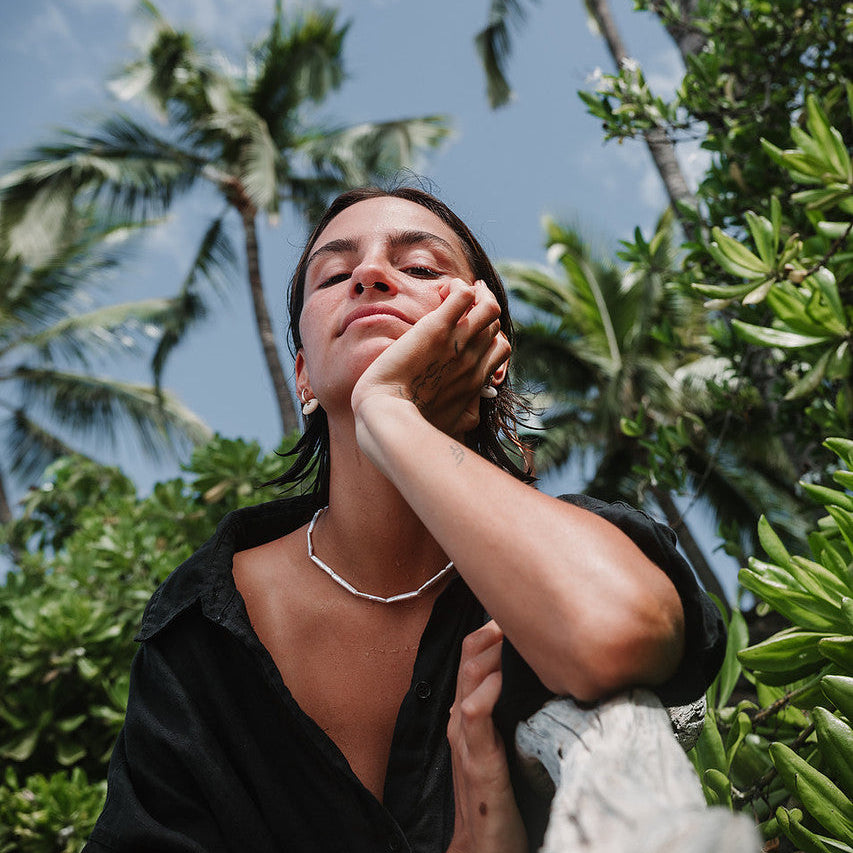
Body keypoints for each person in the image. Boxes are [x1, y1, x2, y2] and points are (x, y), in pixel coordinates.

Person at [83, 186, 725, 853]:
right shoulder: (203, 630)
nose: (370, 274)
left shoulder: (564, 550)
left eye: (419, 267)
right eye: (334, 275)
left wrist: (386, 413)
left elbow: (613, 632)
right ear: (302, 378)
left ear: (487, 346)